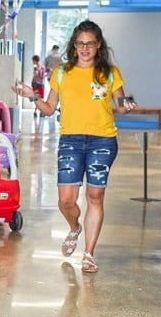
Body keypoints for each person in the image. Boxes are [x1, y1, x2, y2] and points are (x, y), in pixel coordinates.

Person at [12, 20, 137, 274]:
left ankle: (88, 254)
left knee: (95, 197)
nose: (85, 48)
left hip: (102, 141)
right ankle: (74, 226)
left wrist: (127, 104)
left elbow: (121, 104)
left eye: (90, 43)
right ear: (74, 45)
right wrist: (32, 96)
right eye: (80, 43)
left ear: (98, 45)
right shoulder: (61, 72)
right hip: (71, 140)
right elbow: (49, 109)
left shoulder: (109, 73)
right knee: (65, 201)